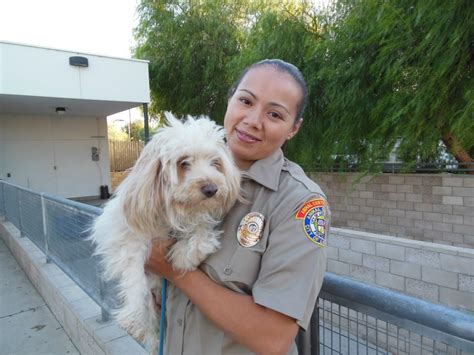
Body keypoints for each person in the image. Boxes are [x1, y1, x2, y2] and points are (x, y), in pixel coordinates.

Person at [146, 59, 330, 354]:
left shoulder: (299, 203)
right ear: (230, 100)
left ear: (293, 129)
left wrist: (171, 269)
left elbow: (274, 337)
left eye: (274, 114)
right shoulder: (176, 173)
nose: (253, 120)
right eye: (245, 101)